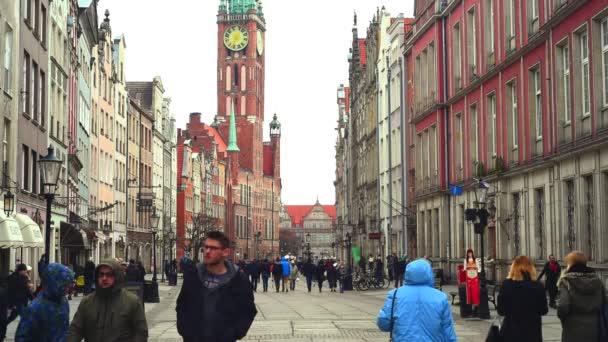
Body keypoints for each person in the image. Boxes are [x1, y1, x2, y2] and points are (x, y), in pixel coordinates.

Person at [175, 231, 256, 342]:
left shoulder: (238, 280)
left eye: (213, 248)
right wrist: (185, 330)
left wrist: (234, 333)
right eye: (206, 247)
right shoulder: (193, 275)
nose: (207, 251)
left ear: (225, 252)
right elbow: (181, 305)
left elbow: (248, 311)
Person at [67, 259, 147, 341]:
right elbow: (75, 329)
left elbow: (141, 332)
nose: (104, 278)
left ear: (117, 276)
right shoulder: (87, 302)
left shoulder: (132, 301)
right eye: (101, 275)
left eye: (109, 275)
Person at [377, 259, 457, 341]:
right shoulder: (441, 297)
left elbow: (383, 324)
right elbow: (448, 331)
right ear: (429, 274)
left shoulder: (395, 294)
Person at [15, 263, 74, 341]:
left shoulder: (63, 302)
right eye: (65, 285)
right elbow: (22, 337)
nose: (68, 288)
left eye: (68, 284)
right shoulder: (35, 308)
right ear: (55, 283)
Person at [556, 251, 605, 342]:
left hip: (573, 325)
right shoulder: (597, 281)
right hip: (594, 326)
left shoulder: (567, 281)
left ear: (570, 263)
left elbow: (563, 305)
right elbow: (604, 301)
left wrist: (562, 317)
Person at [496, 255, 548, 342]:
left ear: (513, 268)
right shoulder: (538, 286)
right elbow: (544, 310)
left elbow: (501, 311)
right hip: (532, 334)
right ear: (531, 268)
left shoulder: (507, 285)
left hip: (511, 333)